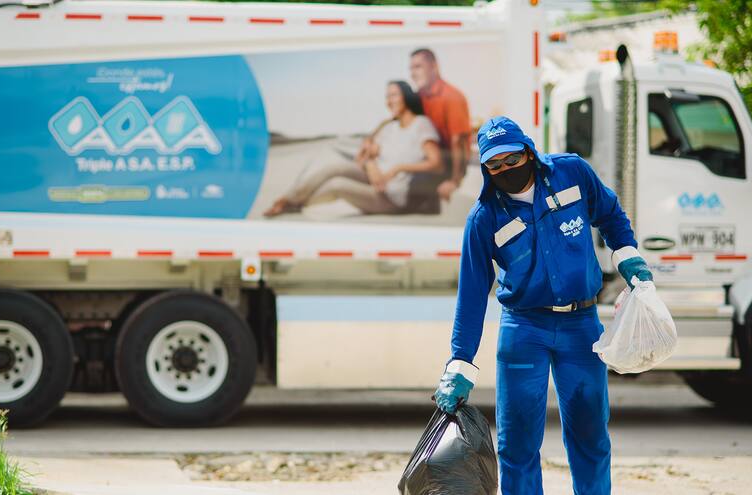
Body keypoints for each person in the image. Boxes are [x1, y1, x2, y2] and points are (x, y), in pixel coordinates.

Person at [433, 116, 653, 494]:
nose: (505, 170)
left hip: (581, 326)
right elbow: (471, 295)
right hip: (524, 330)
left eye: (511, 160)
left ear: (528, 152)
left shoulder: (572, 173)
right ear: (485, 168)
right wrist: (459, 361)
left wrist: (627, 254)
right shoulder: (484, 218)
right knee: (516, 446)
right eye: (494, 165)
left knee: (590, 438)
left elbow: (611, 214)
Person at [263, 81, 441, 217]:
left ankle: (295, 205)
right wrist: (371, 164)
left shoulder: (421, 125)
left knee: (337, 185)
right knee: (335, 168)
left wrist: (399, 168)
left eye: (394, 95)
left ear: (406, 96)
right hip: (375, 180)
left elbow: (436, 163)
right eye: (387, 96)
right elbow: (363, 158)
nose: (389, 100)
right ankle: (287, 199)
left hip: (391, 197)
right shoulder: (389, 128)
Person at [409, 48, 472, 202]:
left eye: (418, 67)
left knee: (412, 187)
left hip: (449, 166)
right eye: (411, 68)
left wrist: (455, 181)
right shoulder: (419, 97)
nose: (413, 73)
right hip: (430, 160)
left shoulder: (452, 97)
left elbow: (459, 143)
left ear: (434, 67)